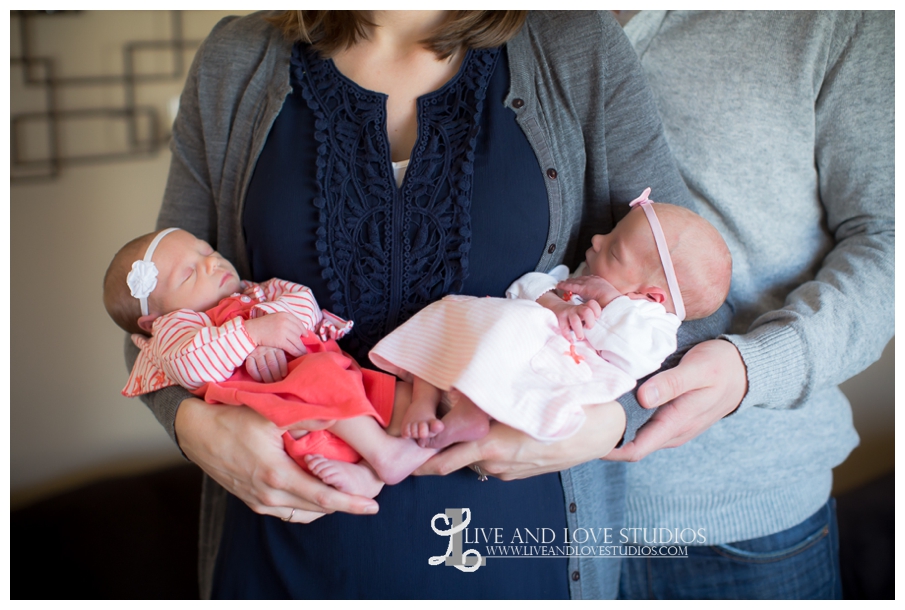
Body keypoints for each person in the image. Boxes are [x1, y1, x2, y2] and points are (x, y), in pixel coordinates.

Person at [126, 10, 726, 599]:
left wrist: (606, 423)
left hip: (515, 553)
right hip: (284, 553)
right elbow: (147, 307)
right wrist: (193, 426)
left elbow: (688, 303)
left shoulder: (575, 44)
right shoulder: (238, 57)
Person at [606, 11, 894, 599]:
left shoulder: (844, 19)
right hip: (527, 508)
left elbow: (888, 234)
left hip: (745, 517)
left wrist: (752, 369)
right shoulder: (505, 23)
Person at [371, 189, 731, 449]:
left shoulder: (653, 324)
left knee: (509, 328)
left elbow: (639, 357)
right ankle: (425, 397)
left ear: (651, 295)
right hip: (511, 344)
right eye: (611, 232)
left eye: (615, 249)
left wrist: (607, 298)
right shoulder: (583, 275)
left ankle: (470, 413)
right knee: (457, 313)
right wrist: (558, 305)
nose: (597, 239)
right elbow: (527, 287)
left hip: (558, 372)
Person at [105, 227, 436, 497]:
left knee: (408, 399)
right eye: (188, 274)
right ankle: (383, 454)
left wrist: (269, 319)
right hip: (295, 425)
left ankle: (369, 475)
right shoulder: (178, 328)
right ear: (154, 321)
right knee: (318, 376)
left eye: (207, 251)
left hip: (350, 394)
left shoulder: (258, 292)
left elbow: (307, 304)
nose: (211, 263)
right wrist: (250, 335)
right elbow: (188, 363)